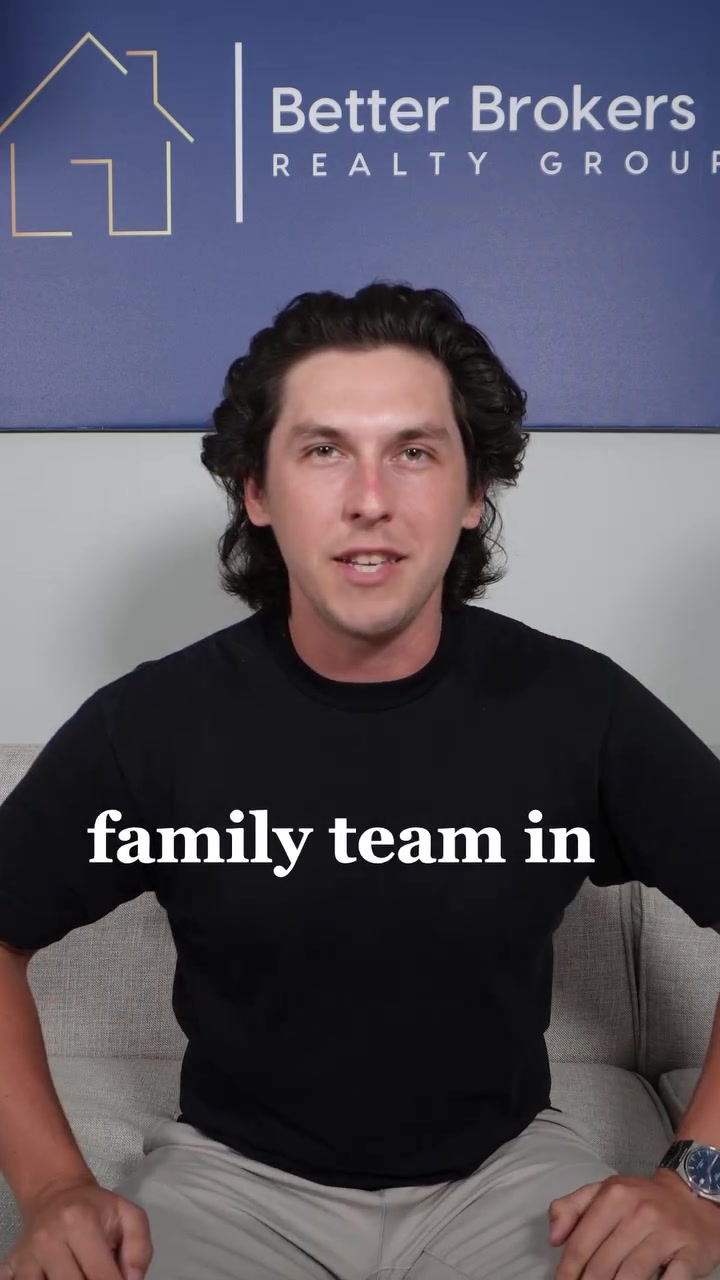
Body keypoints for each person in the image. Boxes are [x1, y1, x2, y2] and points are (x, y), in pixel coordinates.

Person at [0, 282, 719, 1280]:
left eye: (414, 452)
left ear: (473, 494)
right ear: (257, 492)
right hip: (229, 1182)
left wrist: (697, 1181)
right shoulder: (153, 722)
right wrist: (52, 1188)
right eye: (324, 450)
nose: (370, 497)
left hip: (507, 1176)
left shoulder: (577, 706)